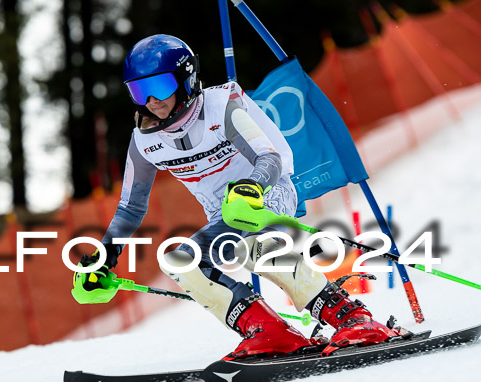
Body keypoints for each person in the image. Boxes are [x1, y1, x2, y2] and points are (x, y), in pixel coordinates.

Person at [74, 34, 406, 359]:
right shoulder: (145, 141)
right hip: (224, 214)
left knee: (248, 246)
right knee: (183, 262)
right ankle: (270, 332)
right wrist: (105, 256)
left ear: (186, 79)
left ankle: (354, 320)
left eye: (160, 87)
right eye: (140, 90)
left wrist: (250, 188)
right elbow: (131, 206)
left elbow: (270, 159)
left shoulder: (221, 108)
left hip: (267, 192)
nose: (152, 101)